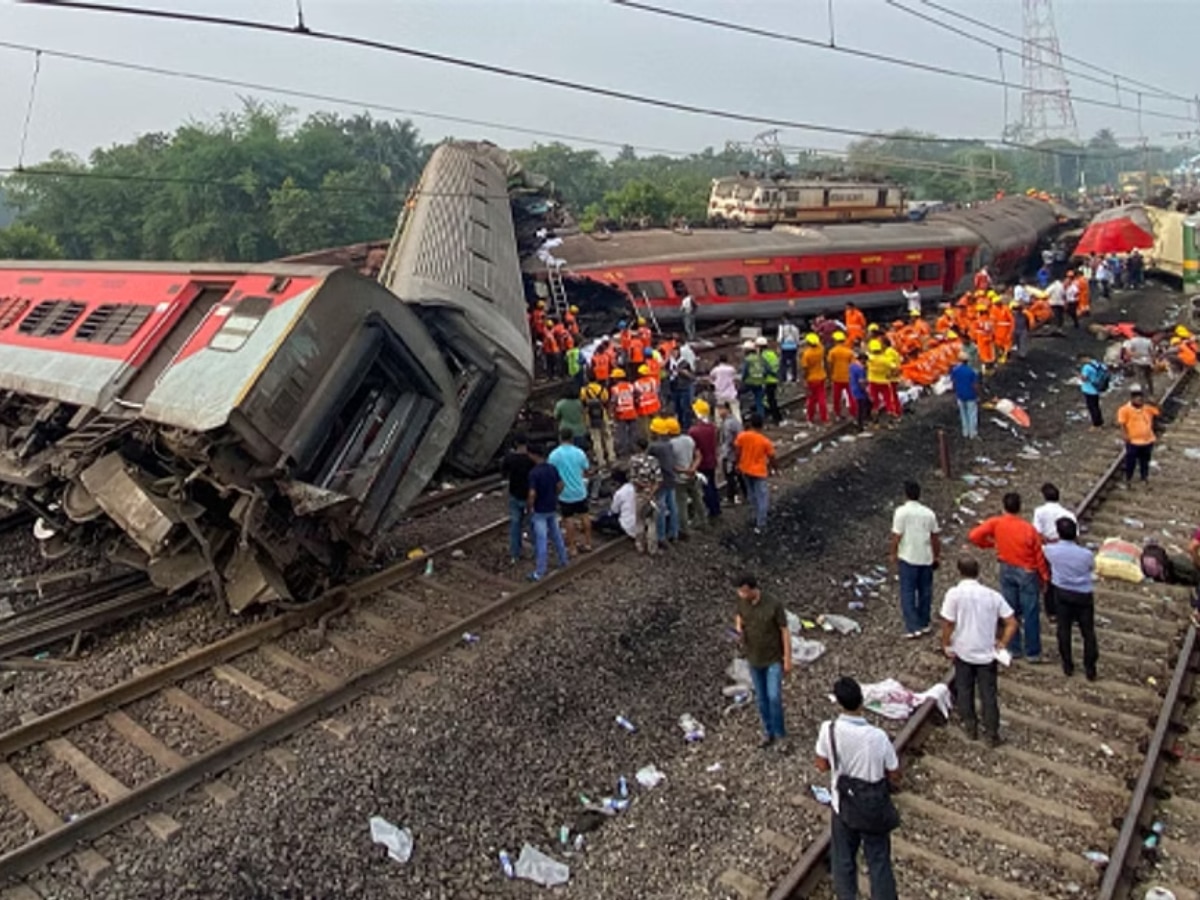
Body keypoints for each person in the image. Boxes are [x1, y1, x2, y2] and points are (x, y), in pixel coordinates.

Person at [814, 677, 900, 900]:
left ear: (839, 703)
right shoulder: (878, 737)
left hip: (843, 805)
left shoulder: (828, 730)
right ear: (861, 702)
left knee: (843, 859)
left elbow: (822, 765)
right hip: (873, 807)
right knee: (879, 861)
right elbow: (894, 772)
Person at [940, 557, 1018, 746]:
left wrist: (945, 643)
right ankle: (991, 733)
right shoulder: (992, 595)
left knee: (965, 690)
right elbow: (1012, 622)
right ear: (978, 572)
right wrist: (1002, 642)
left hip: (963, 650)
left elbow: (948, 623)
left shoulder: (954, 594)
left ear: (959, 571)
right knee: (988, 694)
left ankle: (971, 727)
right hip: (986, 653)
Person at [968, 493, 1049, 662]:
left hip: (1006, 568)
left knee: (1010, 610)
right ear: (1020, 507)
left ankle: (1014, 648)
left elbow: (974, 536)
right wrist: (1044, 577)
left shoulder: (996, 523)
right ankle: (1033, 652)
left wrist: (991, 544)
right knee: (1031, 612)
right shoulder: (1028, 529)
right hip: (1027, 571)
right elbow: (1039, 556)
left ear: (1003, 506)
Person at [733, 573, 791, 749]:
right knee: (761, 698)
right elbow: (739, 616)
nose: (741, 595)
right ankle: (768, 732)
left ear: (752, 589)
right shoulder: (742, 602)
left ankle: (781, 734)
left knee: (774, 696)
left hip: (773, 658)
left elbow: (784, 630)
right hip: (753, 657)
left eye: (743, 591)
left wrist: (788, 657)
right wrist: (738, 630)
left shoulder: (773, 604)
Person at [1043, 518, 1098, 680]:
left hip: (1062, 594)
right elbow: (1092, 568)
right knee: (1088, 632)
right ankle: (1090, 668)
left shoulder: (1050, 551)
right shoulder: (1086, 554)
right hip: (1083, 595)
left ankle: (1068, 665)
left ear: (1059, 533)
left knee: (1063, 629)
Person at [891, 481, 941, 638]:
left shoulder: (901, 512)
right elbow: (935, 537)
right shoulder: (929, 513)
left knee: (908, 592)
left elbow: (897, 536)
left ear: (905, 494)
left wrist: (892, 553)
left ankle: (912, 626)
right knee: (925, 591)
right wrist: (936, 555)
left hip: (908, 556)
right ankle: (924, 622)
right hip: (926, 556)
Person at [525, 442, 570, 581]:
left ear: (532, 455)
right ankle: (564, 561)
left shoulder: (534, 473)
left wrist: (530, 507)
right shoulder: (552, 468)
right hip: (551, 507)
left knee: (541, 540)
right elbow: (561, 485)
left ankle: (539, 571)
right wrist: (555, 496)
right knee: (556, 536)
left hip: (539, 510)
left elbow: (532, 494)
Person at [548, 428, 593, 553]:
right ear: (572, 438)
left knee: (568, 519)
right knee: (585, 516)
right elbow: (586, 470)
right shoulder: (580, 453)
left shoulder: (554, 455)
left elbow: (551, 473)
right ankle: (588, 543)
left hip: (564, 494)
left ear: (560, 438)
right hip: (580, 491)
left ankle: (572, 547)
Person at [734, 413, 777, 534]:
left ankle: (754, 515)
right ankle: (761, 523)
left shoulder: (742, 436)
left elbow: (737, 451)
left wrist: (737, 464)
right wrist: (775, 468)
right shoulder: (765, 441)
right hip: (759, 472)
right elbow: (772, 456)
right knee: (762, 497)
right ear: (762, 426)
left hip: (745, 469)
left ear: (750, 424)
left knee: (751, 494)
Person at [500, 434, 534, 564]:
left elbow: (503, 473)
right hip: (529, 496)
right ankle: (535, 552)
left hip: (514, 495)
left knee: (515, 525)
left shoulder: (509, 458)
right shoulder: (531, 459)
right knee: (533, 525)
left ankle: (515, 554)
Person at [1117, 385, 1160, 487]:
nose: (1140, 401)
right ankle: (1128, 478)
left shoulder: (1147, 408)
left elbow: (1158, 413)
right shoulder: (1124, 410)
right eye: (1137, 399)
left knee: (1145, 461)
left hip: (1147, 440)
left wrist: (1154, 403)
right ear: (1132, 399)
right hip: (1133, 441)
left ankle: (1144, 477)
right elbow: (1122, 424)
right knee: (1130, 461)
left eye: (1141, 399)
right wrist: (1125, 435)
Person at [648, 417, 680, 546]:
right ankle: (674, 533)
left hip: (659, 481)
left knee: (660, 508)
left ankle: (661, 537)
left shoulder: (653, 446)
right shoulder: (668, 444)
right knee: (672, 506)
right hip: (670, 478)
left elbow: (648, 462)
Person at [670, 416, 705, 535]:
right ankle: (703, 521)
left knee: (681, 505)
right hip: (692, 475)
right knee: (698, 499)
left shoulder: (670, 445)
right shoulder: (689, 439)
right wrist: (692, 469)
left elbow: (671, 465)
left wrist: (684, 471)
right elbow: (699, 455)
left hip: (679, 479)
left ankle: (684, 529)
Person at [628, 438, 662, 555]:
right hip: (652, 494)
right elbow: (658, 480)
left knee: (640, 520)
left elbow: (633, 479)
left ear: (637, 447)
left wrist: (644, 488)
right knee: (652, 521)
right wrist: (651, 492)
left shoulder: (633, 460)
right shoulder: (654, 460)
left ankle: (640, 546)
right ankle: (652, 548)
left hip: (640, 494)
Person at [689, 399, 722, 519]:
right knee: (712, 485)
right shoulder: (712, 427)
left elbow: (694, 449)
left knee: (706, 488)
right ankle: (716, 508)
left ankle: (711, 511)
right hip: (712, 460)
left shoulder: (694, 431)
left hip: (701, 463)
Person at [592, 467, 638, 540]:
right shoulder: (634, 487)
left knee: (602, 518)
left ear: (616, 482)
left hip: (626, 524)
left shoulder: (619, 493)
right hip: (637, 521)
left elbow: (614, 511)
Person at [580, 379, 614, 468]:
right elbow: (606, 400)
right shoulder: (602, 389)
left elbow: (583, 403)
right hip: (603, 415)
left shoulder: (584, 390)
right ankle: (611, 457)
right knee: (607, 436)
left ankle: (601, 460)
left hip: (590, 417)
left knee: (596, 439)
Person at [718, 401, 746, 507]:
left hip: (731, 454)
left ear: (727, 409)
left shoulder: (731, 423)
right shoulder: (730, 422)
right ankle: (745, 494)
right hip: (730, 453)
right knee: (737, 476)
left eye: (721, 409)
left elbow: (735, 439)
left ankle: (732, 497)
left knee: (731, 476)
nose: (720, 412)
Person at [950, 351, 979, 439]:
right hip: (970, 395)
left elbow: (953, 382)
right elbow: (975, 385)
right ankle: (972, 433)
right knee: (972, 413)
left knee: (963, 414)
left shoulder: (955, 370)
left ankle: (965, 432)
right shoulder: (971, 372)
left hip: (960, 394)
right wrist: (977, 394)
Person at [800, 332, 829, 424]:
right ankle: (824, 418)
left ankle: (810, 417)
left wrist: (804, 379)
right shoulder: (821, 349)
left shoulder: (807, 354)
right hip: (821, 376)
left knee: (811, 400)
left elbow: (805, 369)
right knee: (822, 399)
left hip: (811, 379)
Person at [609, 368, 638, 458]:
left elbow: (613, 402)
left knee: (622, 433)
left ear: (617, 378)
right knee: (633, 432)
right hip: (632, 411)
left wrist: (611, 413)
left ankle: (623, 451)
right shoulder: (630, 386)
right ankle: (634, 448)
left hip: (621, 413)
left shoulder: (615, 389)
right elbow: (635, 397)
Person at [827, 331, 856, 421]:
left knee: (836, 397)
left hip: (836, 377)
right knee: (851, 396)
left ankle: (837, 414)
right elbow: (853, 365)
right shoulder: (849, 352)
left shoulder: (832, 352)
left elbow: (830, 365)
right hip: (848, 377)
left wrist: (829, 376)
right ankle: (853, 413)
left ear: (835, 341)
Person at [709, 354, 741, 423]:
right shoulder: (731, 369)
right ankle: (739, 424)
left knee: (718, 411)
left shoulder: (715, 370)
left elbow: (711, 379)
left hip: (720, 393)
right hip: (731, 393)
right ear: (727, 360)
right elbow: (735, 378)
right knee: (735, 410)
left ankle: (719, 425)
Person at [1079, 353, 1109, 429]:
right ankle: (1100, 422)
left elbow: (1084, 378)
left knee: (1092, 408)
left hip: (1089, 389)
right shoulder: (1098, 364)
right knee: (1096, 406)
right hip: (1097, 389)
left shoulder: (1086, 367)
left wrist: (1080, 376)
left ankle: (1096, 424)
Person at [1123, 329, 1156, 396]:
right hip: (1147, 362)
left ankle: (1145, 395)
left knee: (1141, 379)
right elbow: (1152, 353)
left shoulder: (1132, 341)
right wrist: (1153, 362)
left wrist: (1136, 355)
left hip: (1137, 362)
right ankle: (1151, 393)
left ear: (1136, 333)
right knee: (1149, 378)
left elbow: (1128, 352)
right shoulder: (1148, 341)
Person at [741, 340, 767, 419]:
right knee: (759, 401)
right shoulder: (760, 358)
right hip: (759, 381)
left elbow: (745, 371)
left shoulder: (747, 359)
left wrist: (743, 380)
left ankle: (741, 411)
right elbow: (765, 369)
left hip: (749, 381)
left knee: (738, 394)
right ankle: (761, 417)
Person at [849, 351, 870, 432]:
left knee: (857, 408)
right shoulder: (860, 369)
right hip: (859, 392)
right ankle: (860, 427)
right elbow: (861, 382)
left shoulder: (852, 366)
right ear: (863, 360)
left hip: (853, 389)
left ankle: (858, 424)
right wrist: (866, 391)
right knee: (861, 410)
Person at [777, 315, 801, 383]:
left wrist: (779, 346)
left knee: (783, 363)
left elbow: (780, 338)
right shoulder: (795, 328)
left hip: (784, 347)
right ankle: (794, 377)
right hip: (793, 347)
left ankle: (783, 378)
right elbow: (797, 339)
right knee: (794, 363)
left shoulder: (782, 328)